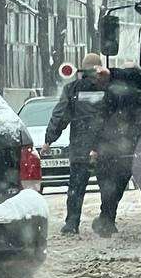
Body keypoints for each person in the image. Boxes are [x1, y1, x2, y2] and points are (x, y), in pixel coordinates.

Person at [91, 65, 141, 240]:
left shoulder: (114, 94)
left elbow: (103, 119)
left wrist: (97, 146)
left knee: (113, 189)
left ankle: (106, 222)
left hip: (121, 148)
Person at [42, 52, 108, 235]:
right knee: (108, 186)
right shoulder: (109, 88)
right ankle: (107, 220)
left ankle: (72, 223)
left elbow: (60, 115)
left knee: (76, 188)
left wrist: (49, 139)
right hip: (105, 146)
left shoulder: (72, 89)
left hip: (80, 147)